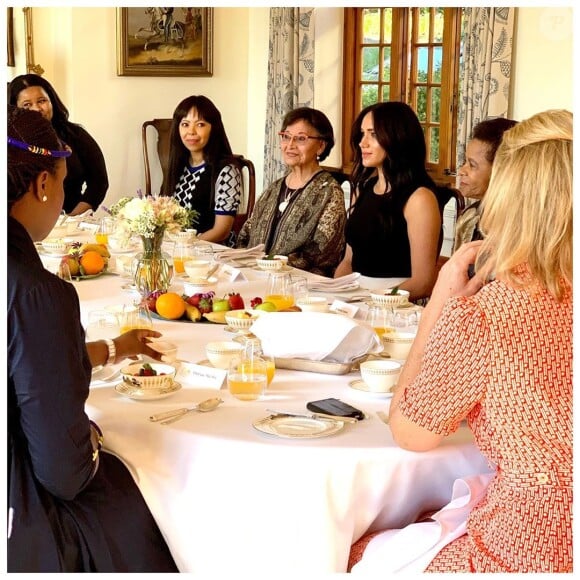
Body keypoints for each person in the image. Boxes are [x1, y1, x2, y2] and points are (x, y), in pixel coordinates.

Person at [350, 109, 572, 572]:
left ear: (507, 195)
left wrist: (441, 304)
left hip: (527, 550)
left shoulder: (491, 313)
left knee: (349, 546)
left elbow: (410, 433)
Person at [7, 105, 178, 572]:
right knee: (160, 496)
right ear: (43, 184)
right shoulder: (38, 293)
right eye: (61, 182)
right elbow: (64, 473)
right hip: (22, 514)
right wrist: (92, 440)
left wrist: (114, 349)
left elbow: (26, 362)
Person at [334, 102, 441, 301]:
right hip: (356, 299)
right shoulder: (363, 188)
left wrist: (372, 301)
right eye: (362, 133)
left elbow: (423, 282)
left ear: (397, 138)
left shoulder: (420, 198)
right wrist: (334, 295)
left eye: (373, 134)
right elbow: (348, 261)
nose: (362, 143)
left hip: (395, 305)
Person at [236, 106, 346, 277]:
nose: (290, 145)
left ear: (321, 146)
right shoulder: (275, 187)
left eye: (300, 139)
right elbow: (246, 234)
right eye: (286, 137)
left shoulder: (330, 192)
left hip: (300, 285)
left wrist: (267, 267)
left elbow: (322, 255)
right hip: (254, 276)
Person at [8, 73, 109, 216]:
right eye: (27, 105)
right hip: (25, 223)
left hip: (73, 221)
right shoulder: (11, 143)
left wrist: (72, 218)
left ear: (52, 102)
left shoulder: (76, 135)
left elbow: (99, 182)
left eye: (42, 101)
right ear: (15, 109)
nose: (37, 109)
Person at [161, 95, 241, 247]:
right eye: (185, 124)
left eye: (200, 124)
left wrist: (188, 245)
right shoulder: (178, 166)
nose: (191, 131)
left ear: (213, 128)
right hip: (178, 250)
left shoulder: (226, 171)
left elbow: (221, 230)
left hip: (213, 253)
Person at [454, 117, 518, 251]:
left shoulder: (516, 227)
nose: (461, 171)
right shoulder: (471, 215)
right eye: (465, 162)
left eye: (472, 165)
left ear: (500, 170)